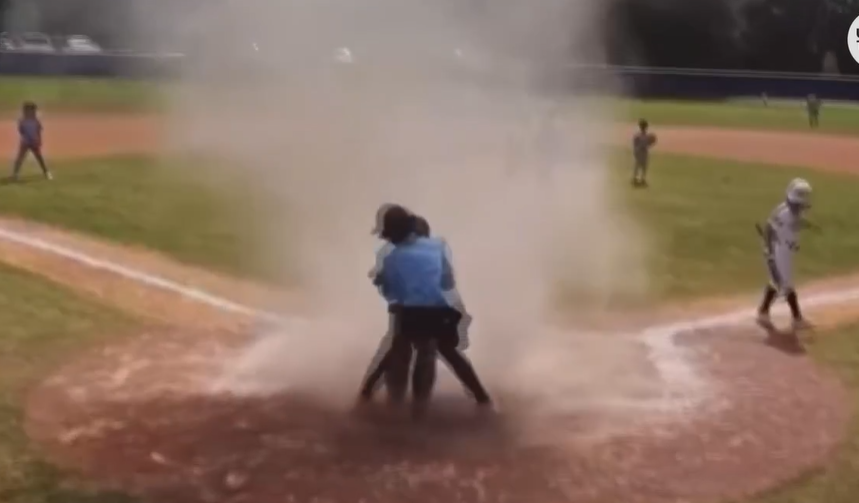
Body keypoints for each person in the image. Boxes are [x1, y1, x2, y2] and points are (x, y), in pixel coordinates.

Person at [360, 204, 491, 416]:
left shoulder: (392, 258)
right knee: (441, 352)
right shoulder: (438, 246)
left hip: (410, 315)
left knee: (399, 346)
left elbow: (392, 294)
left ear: (392, 234)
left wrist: (382, 281)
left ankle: (370, 393)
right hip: (440, 314)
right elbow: (447, 283)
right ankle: (480, 397)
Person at [755, 178, 816, 333]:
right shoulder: (782, 213)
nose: (799, 207)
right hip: (778, 252)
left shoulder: (795, 212)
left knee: (777, 281)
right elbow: (769, 229)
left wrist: (803, 224)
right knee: (786, 283)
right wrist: (769, 252)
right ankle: (797, 319)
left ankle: (763, 312)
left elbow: (792, 224)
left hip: (786, 251)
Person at [12, 101, 52, 181]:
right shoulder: (23, 121)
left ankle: (46, 172)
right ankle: (15, 174)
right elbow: (21, 131)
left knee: (39, 158)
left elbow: (38, 131)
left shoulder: (35, 121)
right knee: (20, 158)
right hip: (26, 142)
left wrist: (39, 140)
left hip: (33, 142)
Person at [632, 118, 656, 187]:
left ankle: (637, 179)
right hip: (642, 152)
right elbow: (648, 144)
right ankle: (640, 179)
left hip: (641, 152)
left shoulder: (639, 136)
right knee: (642, 166)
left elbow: (635, 144)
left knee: (639, 166)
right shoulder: (644, 136)